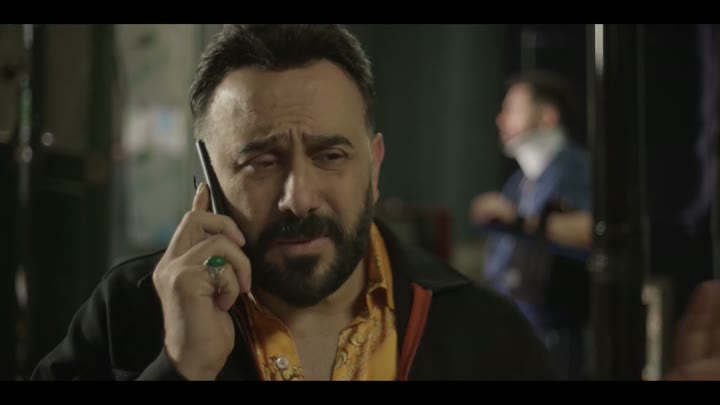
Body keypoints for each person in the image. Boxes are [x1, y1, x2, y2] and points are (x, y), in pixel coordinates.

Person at [28, 24, 720, 381]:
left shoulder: (486, 335)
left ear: (375, 167)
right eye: (261, 161)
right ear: (205, 181)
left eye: (331, 155)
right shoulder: (129, 313)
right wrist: (179, 370)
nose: (300, 196)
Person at [469, 71, 593, 379]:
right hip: (517, 324)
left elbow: (591, 229)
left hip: (552, 329)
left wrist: (518, 220)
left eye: (512, 109)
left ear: (548, 116)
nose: (501, 119)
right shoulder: (520, 180)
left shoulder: (573, 168)